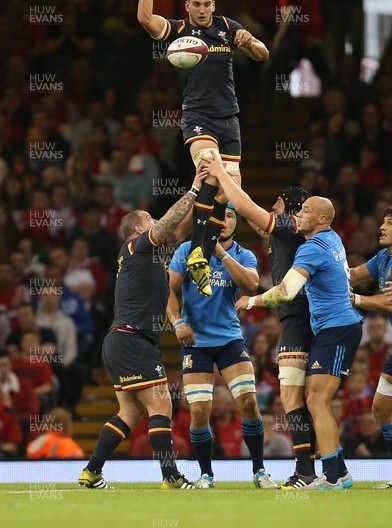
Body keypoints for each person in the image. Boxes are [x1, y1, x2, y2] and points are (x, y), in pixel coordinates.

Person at [138, 0, 269, 297]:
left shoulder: (229, 27)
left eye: (207, 4)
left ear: (214, 6)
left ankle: (199, 251)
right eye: (195, 4)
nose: (201, 10)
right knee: (210, 168)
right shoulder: (180, 31)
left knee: (228, 193)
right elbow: (146, 20)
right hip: (198, 118)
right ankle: (197, 250)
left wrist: (249, 42)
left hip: (230, 119)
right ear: (188, 7)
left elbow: (263, 54)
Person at [78, 164, 207, 490]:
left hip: (122, 339)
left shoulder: (145, 255)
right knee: (161, 404)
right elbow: (167, 226)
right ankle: (171, 477)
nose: (155, 221)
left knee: (131, 414)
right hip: (132, 338)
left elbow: (178, 229)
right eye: (149, 219)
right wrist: (193, 188)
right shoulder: (135, 246)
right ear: (138, 230)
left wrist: (208, 194)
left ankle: (91, 472)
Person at [201, 164, 316, 488]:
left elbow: (250, 209)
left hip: (299, 317)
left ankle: (307, 472)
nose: (272, 210)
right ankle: (326, 470)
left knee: (295, 397)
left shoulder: (290, 225)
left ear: (290, 209)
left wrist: (224, 177)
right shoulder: (285, 231)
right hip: (300, 316)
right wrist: (233, 187)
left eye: (277, 204)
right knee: (309, 398)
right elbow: (251, 215)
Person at [167, 203, 277, 488]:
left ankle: (259, 471)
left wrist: (220, 253)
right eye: (219, 215)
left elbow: (252, 283)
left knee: (249, 403)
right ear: (209, 220)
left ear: (235, 224)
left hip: (230, 339)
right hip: (196, 344)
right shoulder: (187, 251)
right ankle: (206, 474)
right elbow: (167, 288)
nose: (224, 220)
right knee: (200, 411)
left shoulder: (243, 254)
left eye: (230, 216)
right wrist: (178, 322)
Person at [350, 204, 392, 488]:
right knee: (383, 410)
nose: (382, 227)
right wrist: (322, 269)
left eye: (391, 223)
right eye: (382, 221)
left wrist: (357, 300)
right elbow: (355, 274)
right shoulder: (384, 257)